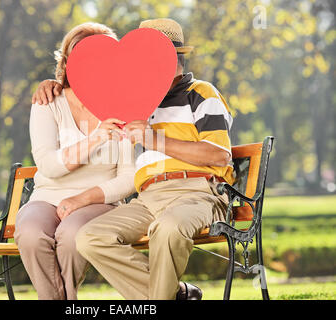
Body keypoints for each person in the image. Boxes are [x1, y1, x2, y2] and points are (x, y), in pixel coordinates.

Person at [33, 18, 235, 300]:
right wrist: (51, 84)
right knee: (90, 238)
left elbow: (219, 155)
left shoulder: (201, 93)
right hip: (149, 196)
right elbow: (88, 81)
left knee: (168, 228)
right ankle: (174, 295)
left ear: (170, 58)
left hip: (197, 192)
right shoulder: (135, 97)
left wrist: (155, 139)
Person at [15, 22, 135, 300]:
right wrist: (97, 138)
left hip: (99, 202)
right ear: (68, 62)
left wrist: (82, 199)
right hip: (47, 197)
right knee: (31, 233)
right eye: (84, 57)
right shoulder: (48, 101)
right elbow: (48, 166)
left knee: (71, 235)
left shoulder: (126, 104)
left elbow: (129, 178)